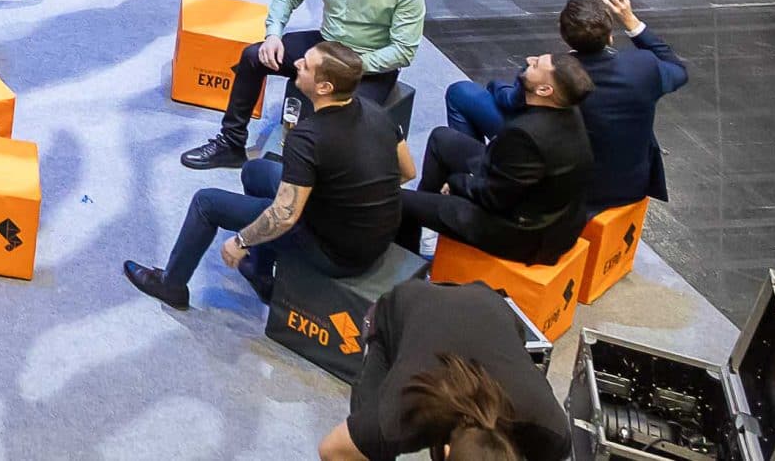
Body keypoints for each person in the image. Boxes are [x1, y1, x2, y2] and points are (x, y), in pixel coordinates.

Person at [127, 40, 412, 312]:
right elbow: (408, 171)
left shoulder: (308, 137)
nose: (298, 62)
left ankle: (171, 285)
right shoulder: (377, 112)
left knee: (206, 203)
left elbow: (286, 215)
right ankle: (260, 272)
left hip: (335, 253)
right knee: (255, 171)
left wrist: (241, 241)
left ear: (324, 87)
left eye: (307, 65)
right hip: (376, 236)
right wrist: (354, 197)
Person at [449, 0, 684, 216]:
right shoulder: (644, 66)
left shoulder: (550, 73)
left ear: (563, 35)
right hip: (630, 185)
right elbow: (678, 69)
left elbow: (510, 101)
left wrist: (496, 85)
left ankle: (478, 184)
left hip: (566, 182)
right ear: (610, 34)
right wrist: (632, 21)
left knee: (461, 93)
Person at [319, 281, 573, 461]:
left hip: (488, 306)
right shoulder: (402, 413)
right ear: (446, 450)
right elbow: (332, 451)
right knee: (365, 450)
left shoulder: (552, 432)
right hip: (401, 308)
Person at [398, 51, 594, 264]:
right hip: (539, 204)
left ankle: (410, 269)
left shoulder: (525, 134)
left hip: (522, 233)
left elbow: (494, 199)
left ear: (545, 90)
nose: (529, 60)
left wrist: (456, 183)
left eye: (537, 65)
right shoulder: (568, 109)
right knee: (441, 139)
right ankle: (429, 226)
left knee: (400, 201)